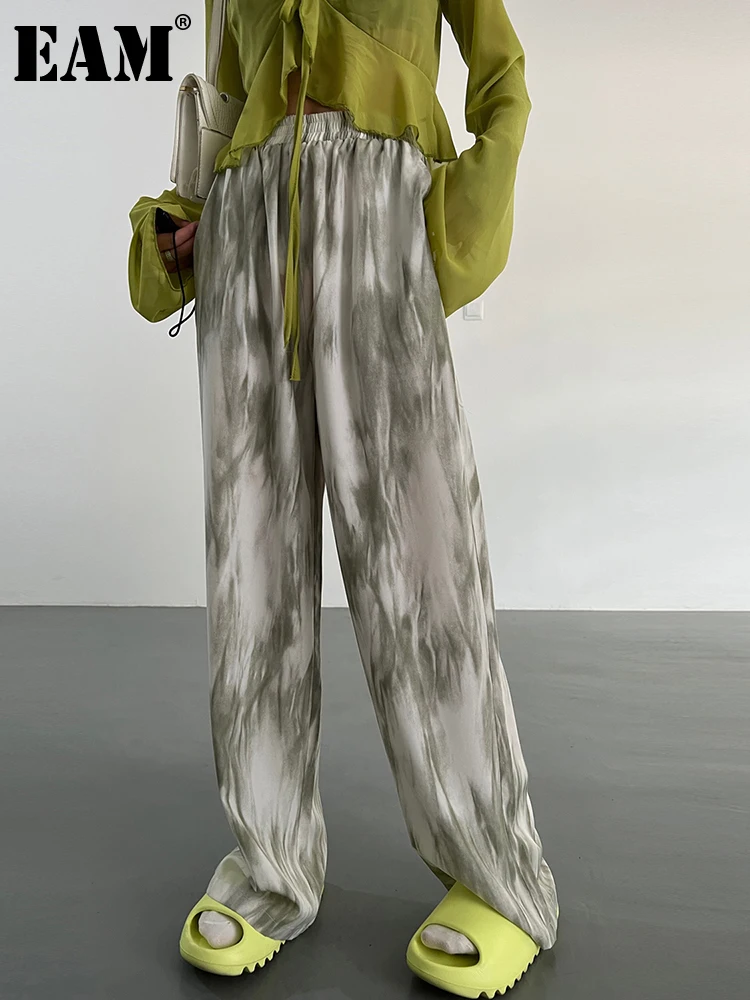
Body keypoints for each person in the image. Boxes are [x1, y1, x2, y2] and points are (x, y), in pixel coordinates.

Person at [128, 1, 559, 995]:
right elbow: (225, 102)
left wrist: (450, 210)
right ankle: (269, 863)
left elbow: (502, 76)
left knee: (422, 562)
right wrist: (192, 224)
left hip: (377, 214)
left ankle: (498, 875)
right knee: (252, 571)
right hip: (246, 230)